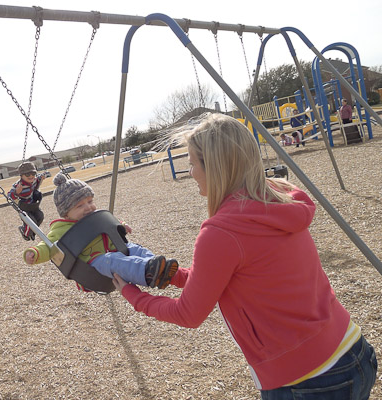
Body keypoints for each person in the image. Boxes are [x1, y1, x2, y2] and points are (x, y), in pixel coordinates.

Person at [113, 113, 377, 398]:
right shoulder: (278, 195)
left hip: (307, 380)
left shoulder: (221, 232)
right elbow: (225, 276)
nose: (190, 173)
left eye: (192, 163)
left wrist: (133, 295)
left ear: (215, 167)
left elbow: (188, 314)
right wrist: (169, 274)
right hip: (354, 349)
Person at [23, 172, 179, 290]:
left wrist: (121, 225)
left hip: (115, 248)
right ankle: (147, 272)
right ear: (66, 214)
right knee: (114, 260)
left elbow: (108, 224)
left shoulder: (93, 216)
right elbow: (49, 246)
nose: (88, 207)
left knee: (135, 248)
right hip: (93, 266)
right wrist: (35, 253)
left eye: (90, 201)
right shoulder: (61, 228)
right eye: (80, 206)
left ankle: (158, 267)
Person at [8, 162, 46, 241]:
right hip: (24, 207)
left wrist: (42, 177)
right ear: (21, 175)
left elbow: (38, 179)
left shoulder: (34, 180)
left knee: (40, 216)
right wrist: (16, 192)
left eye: (33, 173)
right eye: (28, 174)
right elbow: (9, 196)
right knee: (30, 221)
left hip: (33, 205)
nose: (31, 176)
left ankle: (33, 232)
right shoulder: (18, 185)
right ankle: (25, 233)